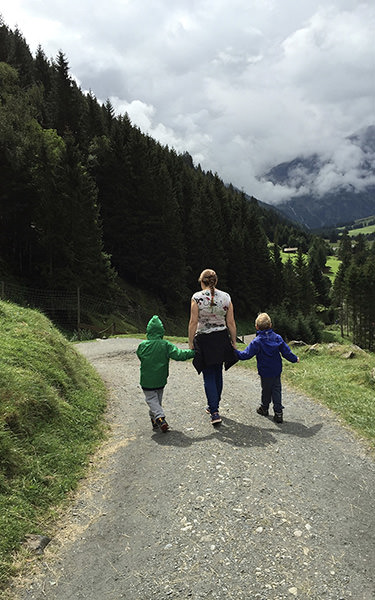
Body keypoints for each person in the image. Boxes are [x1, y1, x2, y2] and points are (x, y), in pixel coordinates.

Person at [188, 268, 237, 426]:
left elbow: (193, 322)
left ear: (202, 282)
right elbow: (230, 322)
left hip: (204, 339)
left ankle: (214, 411)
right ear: (215, 281)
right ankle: (214, 403)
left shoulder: (196, 298)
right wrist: (234, 341)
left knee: (208, 374)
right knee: (218, 372)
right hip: (221, 338)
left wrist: (190, 343)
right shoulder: (226, 297)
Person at [235, 312, 299, 423]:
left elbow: (245, 355)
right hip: (276, 370)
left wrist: (233, 351)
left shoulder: (257, 341)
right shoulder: (277, 338)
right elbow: (286, 352)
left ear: (256, 327)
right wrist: (295, 359)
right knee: (276, 390)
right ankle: (278, 413)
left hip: (265, 371)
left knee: (266, 390)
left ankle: (264, 408)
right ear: (270, 325)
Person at [137, 315, 194, 432]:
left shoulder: (142, 346)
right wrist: (193, 353)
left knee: (152, 401)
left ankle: (158, 419)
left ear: (148, 331)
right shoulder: (166, 345)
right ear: (161, 331)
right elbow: (179, 355)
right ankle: (158, 419)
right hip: (160, 380)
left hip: (146, 380)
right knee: (156, 401)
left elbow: (140, 356)